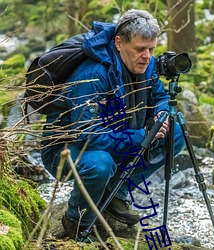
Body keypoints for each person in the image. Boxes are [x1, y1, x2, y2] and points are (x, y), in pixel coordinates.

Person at [41, 9, 185, 241]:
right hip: (67, 150)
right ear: (119, 43)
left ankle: (115, 193)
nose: (147, 56)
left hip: (118, 135)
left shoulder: (146, 64)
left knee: (175, 132)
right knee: (100, 164)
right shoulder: (92, 75)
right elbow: (87, 135)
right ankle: (76, 222)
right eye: (140, 49)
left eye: (151, 49)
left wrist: (161, 114)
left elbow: (159, 96)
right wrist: (142, 135)